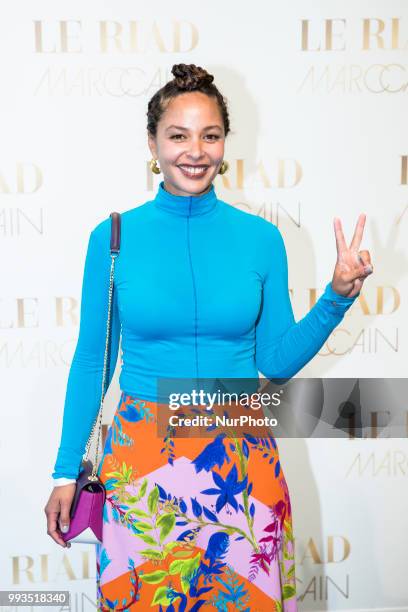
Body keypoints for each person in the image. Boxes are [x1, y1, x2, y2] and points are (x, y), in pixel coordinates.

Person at [44, 63, 373, 610]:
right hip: (142, 461)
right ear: (153, 143)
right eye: (178, 136)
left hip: (240, 458)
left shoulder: (262, 239)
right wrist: (63, 471)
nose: (195, 151)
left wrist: (337, 295)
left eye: (210, 135)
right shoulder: (114, 238)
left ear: (225, 143)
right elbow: (91, 363)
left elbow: (276, 358)